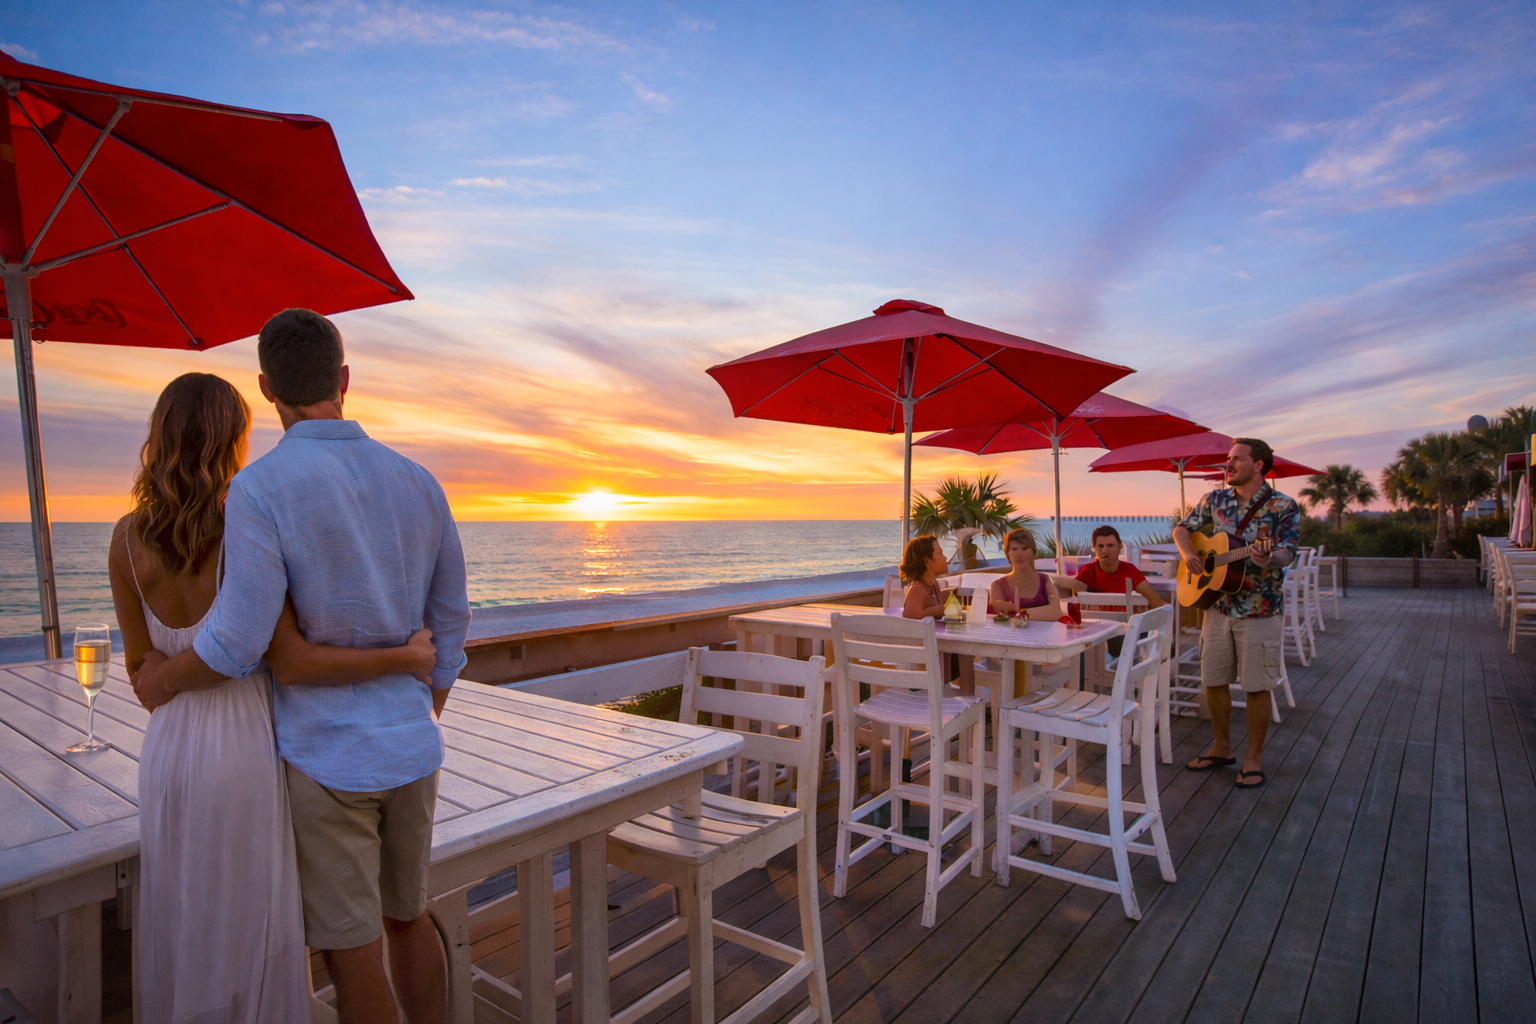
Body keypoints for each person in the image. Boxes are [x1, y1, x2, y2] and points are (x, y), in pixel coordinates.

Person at [132, 310, 472, 1024]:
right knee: (408, 919)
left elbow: (239, 638)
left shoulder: (262, 487)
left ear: (266, 389)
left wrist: (162, 679)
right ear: (344, 380)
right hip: (412, 746)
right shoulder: (420, 482)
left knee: (352, 953)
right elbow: (452, 623)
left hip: (325, 760)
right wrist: (421, 704)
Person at [1175, 438, 1299, 789]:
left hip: (1260, 608)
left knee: (1257, 685)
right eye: (1228, 459)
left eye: (1237, 459)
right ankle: (1222, 747)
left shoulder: (1282, 505)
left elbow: (1288, 553)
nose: (1228, 464)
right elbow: (1182, 528)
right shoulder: (1214, 499)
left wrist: (1267, 557)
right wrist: (1187, 555)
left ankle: (1253, 758)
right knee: (1213, 679)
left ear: (1258, 464)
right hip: (1215, 605)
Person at [989, 527, 1064, 621]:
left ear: (1033, 551)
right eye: (1014, 549)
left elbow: (1056, 612)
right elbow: (998, 615)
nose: (1019, 554)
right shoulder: (998, 585)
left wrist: (1019, 613)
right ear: (1007, 553)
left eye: (1024, 548)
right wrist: (1042, 612)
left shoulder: (1045, 580)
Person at [900, 534, 953, 619]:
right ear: (927, 561)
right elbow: (911, 614)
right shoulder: (916, 589)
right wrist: (941, 609)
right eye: (940, 553)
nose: (945, 558)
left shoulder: (934, 585)